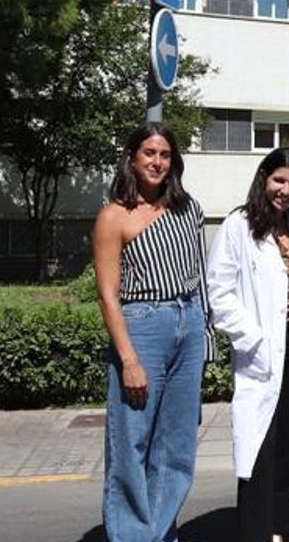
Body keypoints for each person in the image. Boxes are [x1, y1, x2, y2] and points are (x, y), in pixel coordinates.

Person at [91, 123, 210, 542]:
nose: (157, 161)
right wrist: (128, 360)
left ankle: (158, 533)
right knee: (132, 443)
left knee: (176, 446)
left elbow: (201, 277)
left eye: (164, 154)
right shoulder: (113, 217)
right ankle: (129, 534)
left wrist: (206, 339)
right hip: (143, 327)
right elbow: (108, 296)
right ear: (132, 158)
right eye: (149, 153)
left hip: (190, 321)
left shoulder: (188, 208)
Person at [207, 148, 289, 542]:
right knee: (259, 447)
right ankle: (256, 531)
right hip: (261, 350)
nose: (285, 190)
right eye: (279, 180)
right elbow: (219, 292)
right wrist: (251, 337)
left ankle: (280, 529)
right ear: (263, 178)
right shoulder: (240, 224)